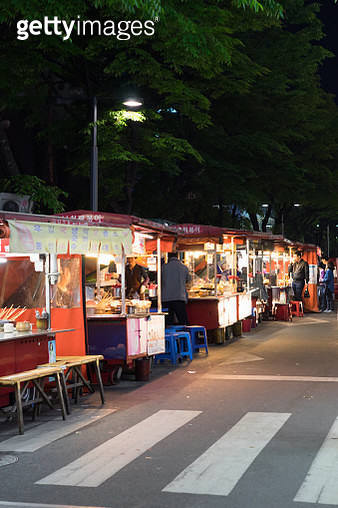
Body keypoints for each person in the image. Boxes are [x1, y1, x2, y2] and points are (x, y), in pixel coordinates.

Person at [161, 252, 191, 325]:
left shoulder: (164, 267)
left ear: (168, 257)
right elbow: (188, 280)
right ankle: (185, 334)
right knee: (183, 320)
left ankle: (169, 335)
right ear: (177, 256)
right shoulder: (184, 267)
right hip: (179, 298)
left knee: (168, 322)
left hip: (166, 298)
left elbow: (160, 280)